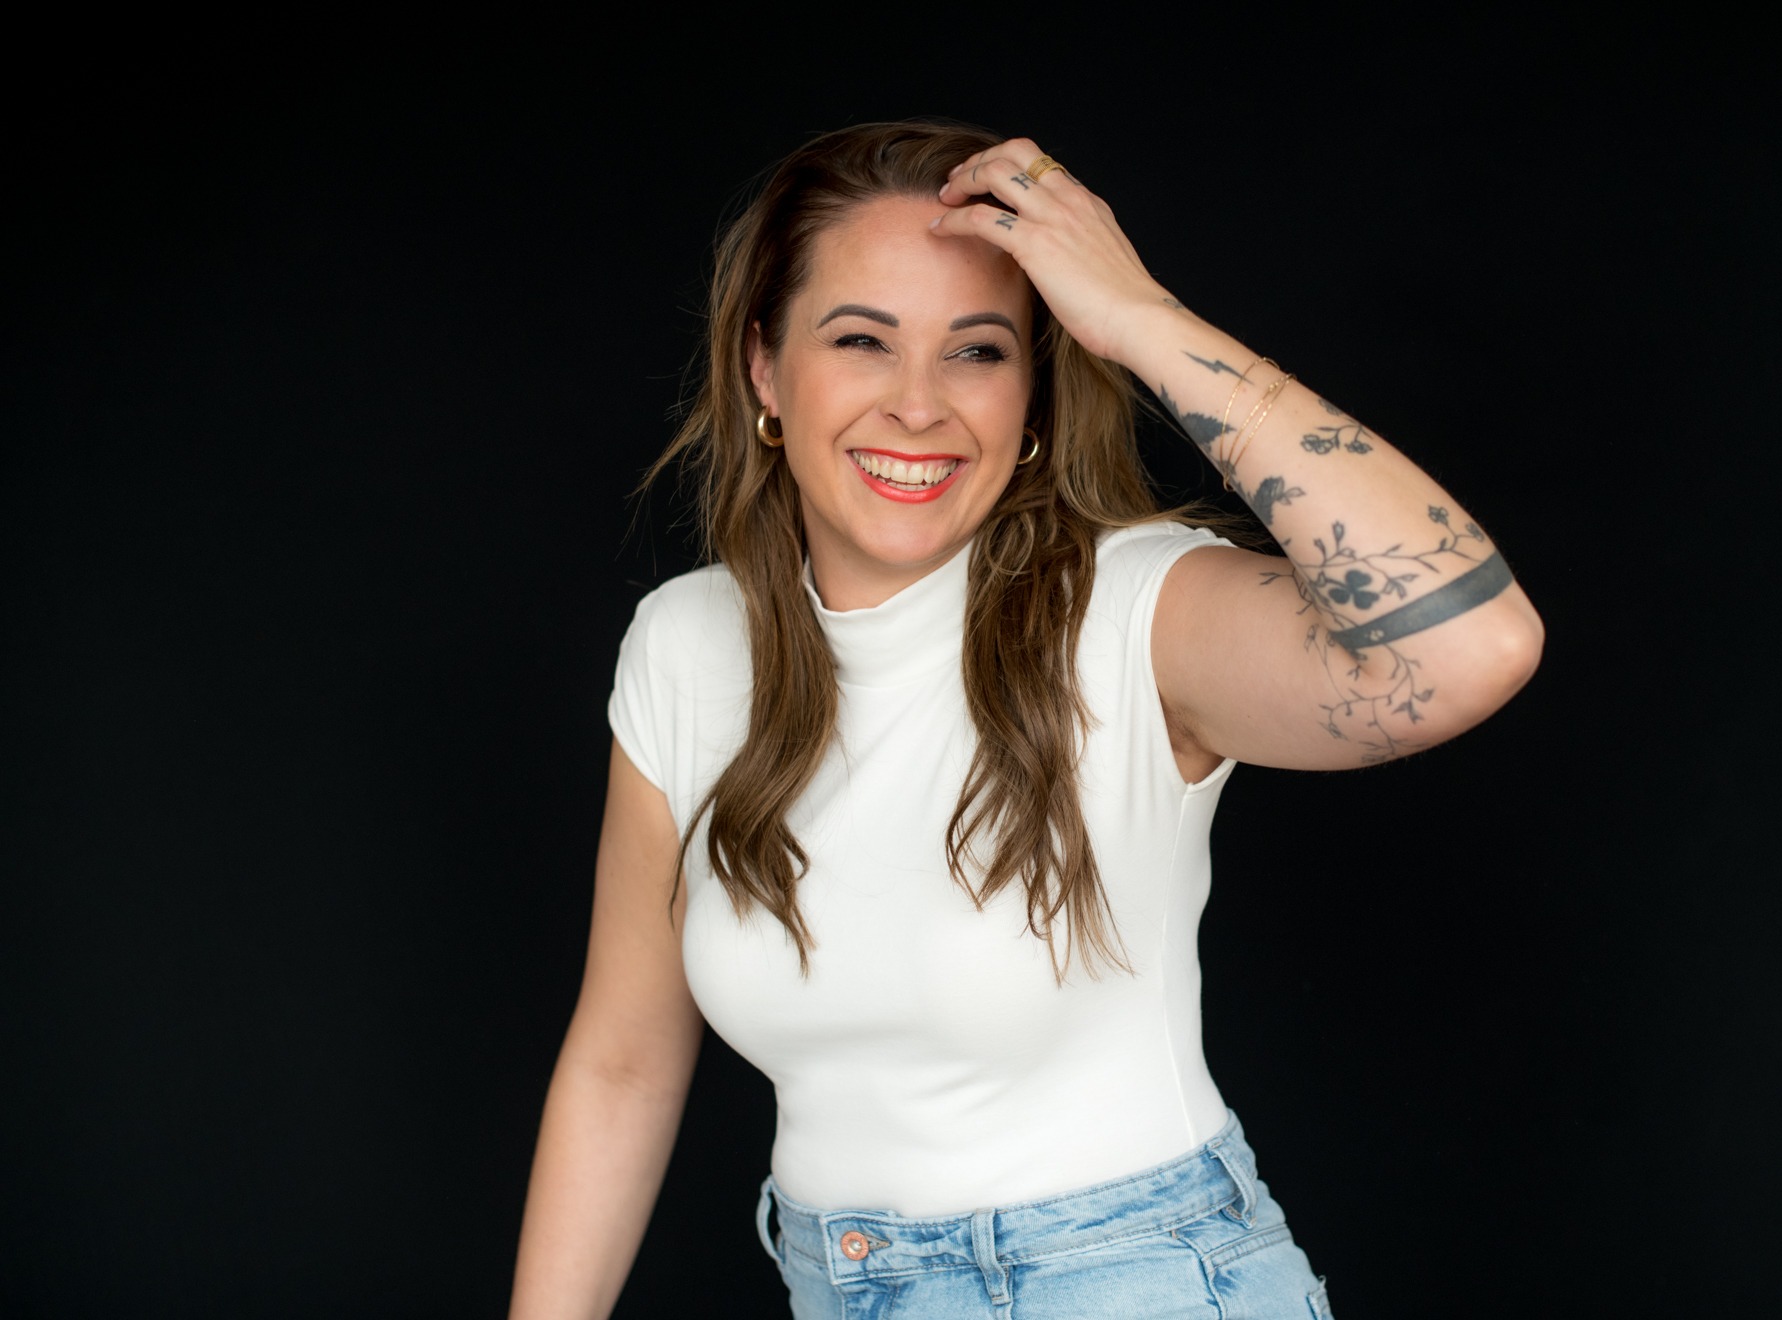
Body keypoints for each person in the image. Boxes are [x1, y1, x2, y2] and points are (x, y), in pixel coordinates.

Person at [509, 120, 1543, 1320]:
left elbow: (1473, 646)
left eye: (978, 351)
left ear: (1035, 388)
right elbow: (623, 1064)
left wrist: (1141, 318)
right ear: (765, 369)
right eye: (861, 340)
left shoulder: (1133, 611)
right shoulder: (688, 646)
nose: (918, 407)